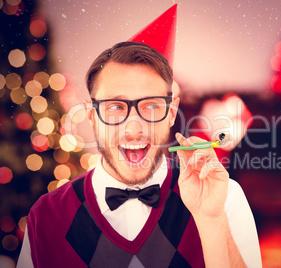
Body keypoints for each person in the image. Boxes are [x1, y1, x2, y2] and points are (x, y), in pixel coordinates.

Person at [18, 5, 262, 268]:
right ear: (91, 116)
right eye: (115, 107)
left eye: (152, 106)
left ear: (171, 113)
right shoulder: (45, 216)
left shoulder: (224, 197)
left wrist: (211, 220)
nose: (134, 128)